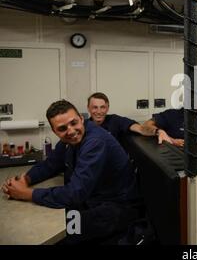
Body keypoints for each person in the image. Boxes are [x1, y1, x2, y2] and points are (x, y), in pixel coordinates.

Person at [2, 100, 139, 244]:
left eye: (74, 123)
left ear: (81, 118)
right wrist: (26, 179)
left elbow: (75, 193)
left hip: (116, 209)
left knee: (62, 230)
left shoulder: (95, 142)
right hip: (91, 200)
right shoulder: (70, 140)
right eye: (62, 128)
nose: (71, 131)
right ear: (55, 131)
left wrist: (26, 193)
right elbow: (51, 164)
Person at [87, 92, 152, 141]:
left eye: (102, 107)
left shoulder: (114, 120)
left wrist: (156, 132)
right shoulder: (84, 126)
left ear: (107, 108)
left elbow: (140, 129)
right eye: (95, 107)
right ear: (88, 108)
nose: (99, 111)